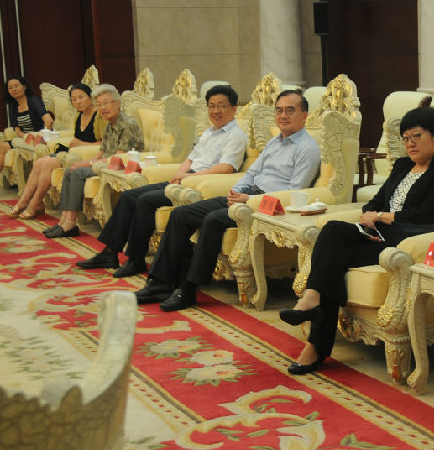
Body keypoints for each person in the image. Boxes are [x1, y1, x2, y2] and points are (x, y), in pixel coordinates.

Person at [278, 106, 434, 375]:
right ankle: (312, 305)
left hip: (401, 244)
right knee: (331, 233)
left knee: (330, 261)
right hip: (376, 235)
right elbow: (377, 200)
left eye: (416, 136)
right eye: (406, 138)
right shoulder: (403, 166)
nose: (410, 143)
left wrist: (383, 216)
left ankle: (314, 342)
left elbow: (429, 215)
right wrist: (368, 215)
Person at [133, 88, 321, 311]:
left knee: (212, 220)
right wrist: (236, 191)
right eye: (279, 111)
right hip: (245, 195)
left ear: (304, 116)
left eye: (290, 110)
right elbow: (252, 173)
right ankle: (160, 283)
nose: (283, 116)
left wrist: (249, 198)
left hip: (266, 205)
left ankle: (188, 289)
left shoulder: (307, 148)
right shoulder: (274, 142)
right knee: (181, 214)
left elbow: (294, 191)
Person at [76, 84, 247, 277]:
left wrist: (187, 177)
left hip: (199, 185)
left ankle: (135, 260)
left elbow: (226, 168)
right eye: (212, 106)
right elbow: (190, 159)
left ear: (234, 108)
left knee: (145, 200)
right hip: (185, 179)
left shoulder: (236, 136)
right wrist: (178, 175)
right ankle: (110, 252)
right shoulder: (209, 132)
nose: (216, 111)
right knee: (129, 196)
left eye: (221, 106)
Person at [43, 84, 144, 238]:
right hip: (105, 164)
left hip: (120, 167)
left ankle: (70, 223)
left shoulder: (127, 125)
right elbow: (100, 155)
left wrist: (88, 164)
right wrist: (80, 163)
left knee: (77, 173)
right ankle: (64, 220)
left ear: (117, 103)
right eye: (99, 104)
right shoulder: (109, 125)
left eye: (106, 103)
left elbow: (118, 158)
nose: (102, 108)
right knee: (70, 170)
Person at [7, 83, 103, 219]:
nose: (78, 102)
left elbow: (106, 143)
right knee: (40, 162)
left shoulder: (99, 116)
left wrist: (82, 144)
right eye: (74, 99)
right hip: (73, 152)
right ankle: (24, 201)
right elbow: (77, 138)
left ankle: (34, 204)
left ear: (90, 97)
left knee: (47, 164)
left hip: (87, 156)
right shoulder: (79, 115)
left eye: (81, 97)